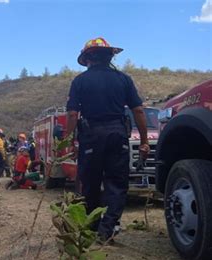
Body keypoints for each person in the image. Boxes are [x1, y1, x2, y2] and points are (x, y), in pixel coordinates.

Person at [64, 37, 150, 243]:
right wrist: (144, 141)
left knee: (90, 184)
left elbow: (72, 115)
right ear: (110, 56)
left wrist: (68, 142)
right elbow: (138, 110)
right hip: (117, 134)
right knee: (117, 184)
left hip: (91, 136)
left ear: (87, 59)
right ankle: (107, 229)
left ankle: (93, 227)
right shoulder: (123, 79)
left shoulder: (79, 81)